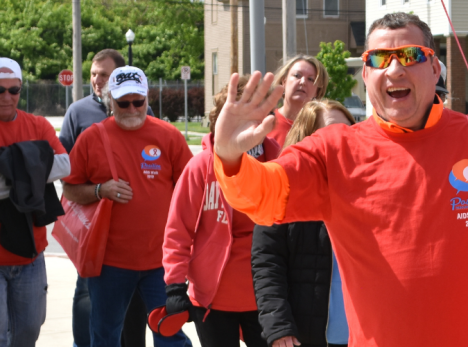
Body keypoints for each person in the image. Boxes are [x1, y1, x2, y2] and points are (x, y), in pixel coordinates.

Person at [211, 12, 468, 345]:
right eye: (380, 59)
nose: (395, 69)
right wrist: (228, 156)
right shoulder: (335, 150)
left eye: (410, 55)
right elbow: (263, 196)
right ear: (366, 74)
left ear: (435, 68)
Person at [62, 66, 193, 347]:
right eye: (123, 103)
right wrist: (100, 190)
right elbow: (70, 189)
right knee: (105, 335)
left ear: (148, 99)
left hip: (162, 263)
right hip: (110, 263)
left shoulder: (169, 136)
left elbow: (190, 192)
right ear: (110, 101)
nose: (132, 109)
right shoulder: (92, 138)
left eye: (139, 101)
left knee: (170, 335)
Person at [161, 79, 280, 347]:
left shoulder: (277, 163)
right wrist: (175, 285)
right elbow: (178, 231)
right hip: (212, 299)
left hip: (266, 295)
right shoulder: (201, 166)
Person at [59, 47, 150, 347]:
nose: (97, 80)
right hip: (92, 225)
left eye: (104, 74)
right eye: (94, 74)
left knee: (133, 305)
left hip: (132, 234)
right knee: (85, 294)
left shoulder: (140, 111)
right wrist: (98, 188)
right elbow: (65, 167)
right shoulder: (78, 112)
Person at [252, 99, 356, 347]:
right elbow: (267, 264)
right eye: (331, 133)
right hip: (304, 337)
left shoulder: (370, 191)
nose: (342, 140)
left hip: (365, 335)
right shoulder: (281, 194)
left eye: (349, 131)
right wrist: (278, 328)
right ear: (307, 141)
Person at [0, 57, 70, 346]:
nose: (6, 97)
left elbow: (65, 165)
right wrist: (31, 165)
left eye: (13, 90)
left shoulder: (38, 125)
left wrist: (9, 172)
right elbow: (50, 166)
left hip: (30, 255)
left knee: (27, 334)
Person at [266, 55, 329, 146]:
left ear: (317, 91)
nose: (303, 82)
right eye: (297, 75)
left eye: (311, 79)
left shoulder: (320, 130)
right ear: (284, 81)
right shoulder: (265, 122)